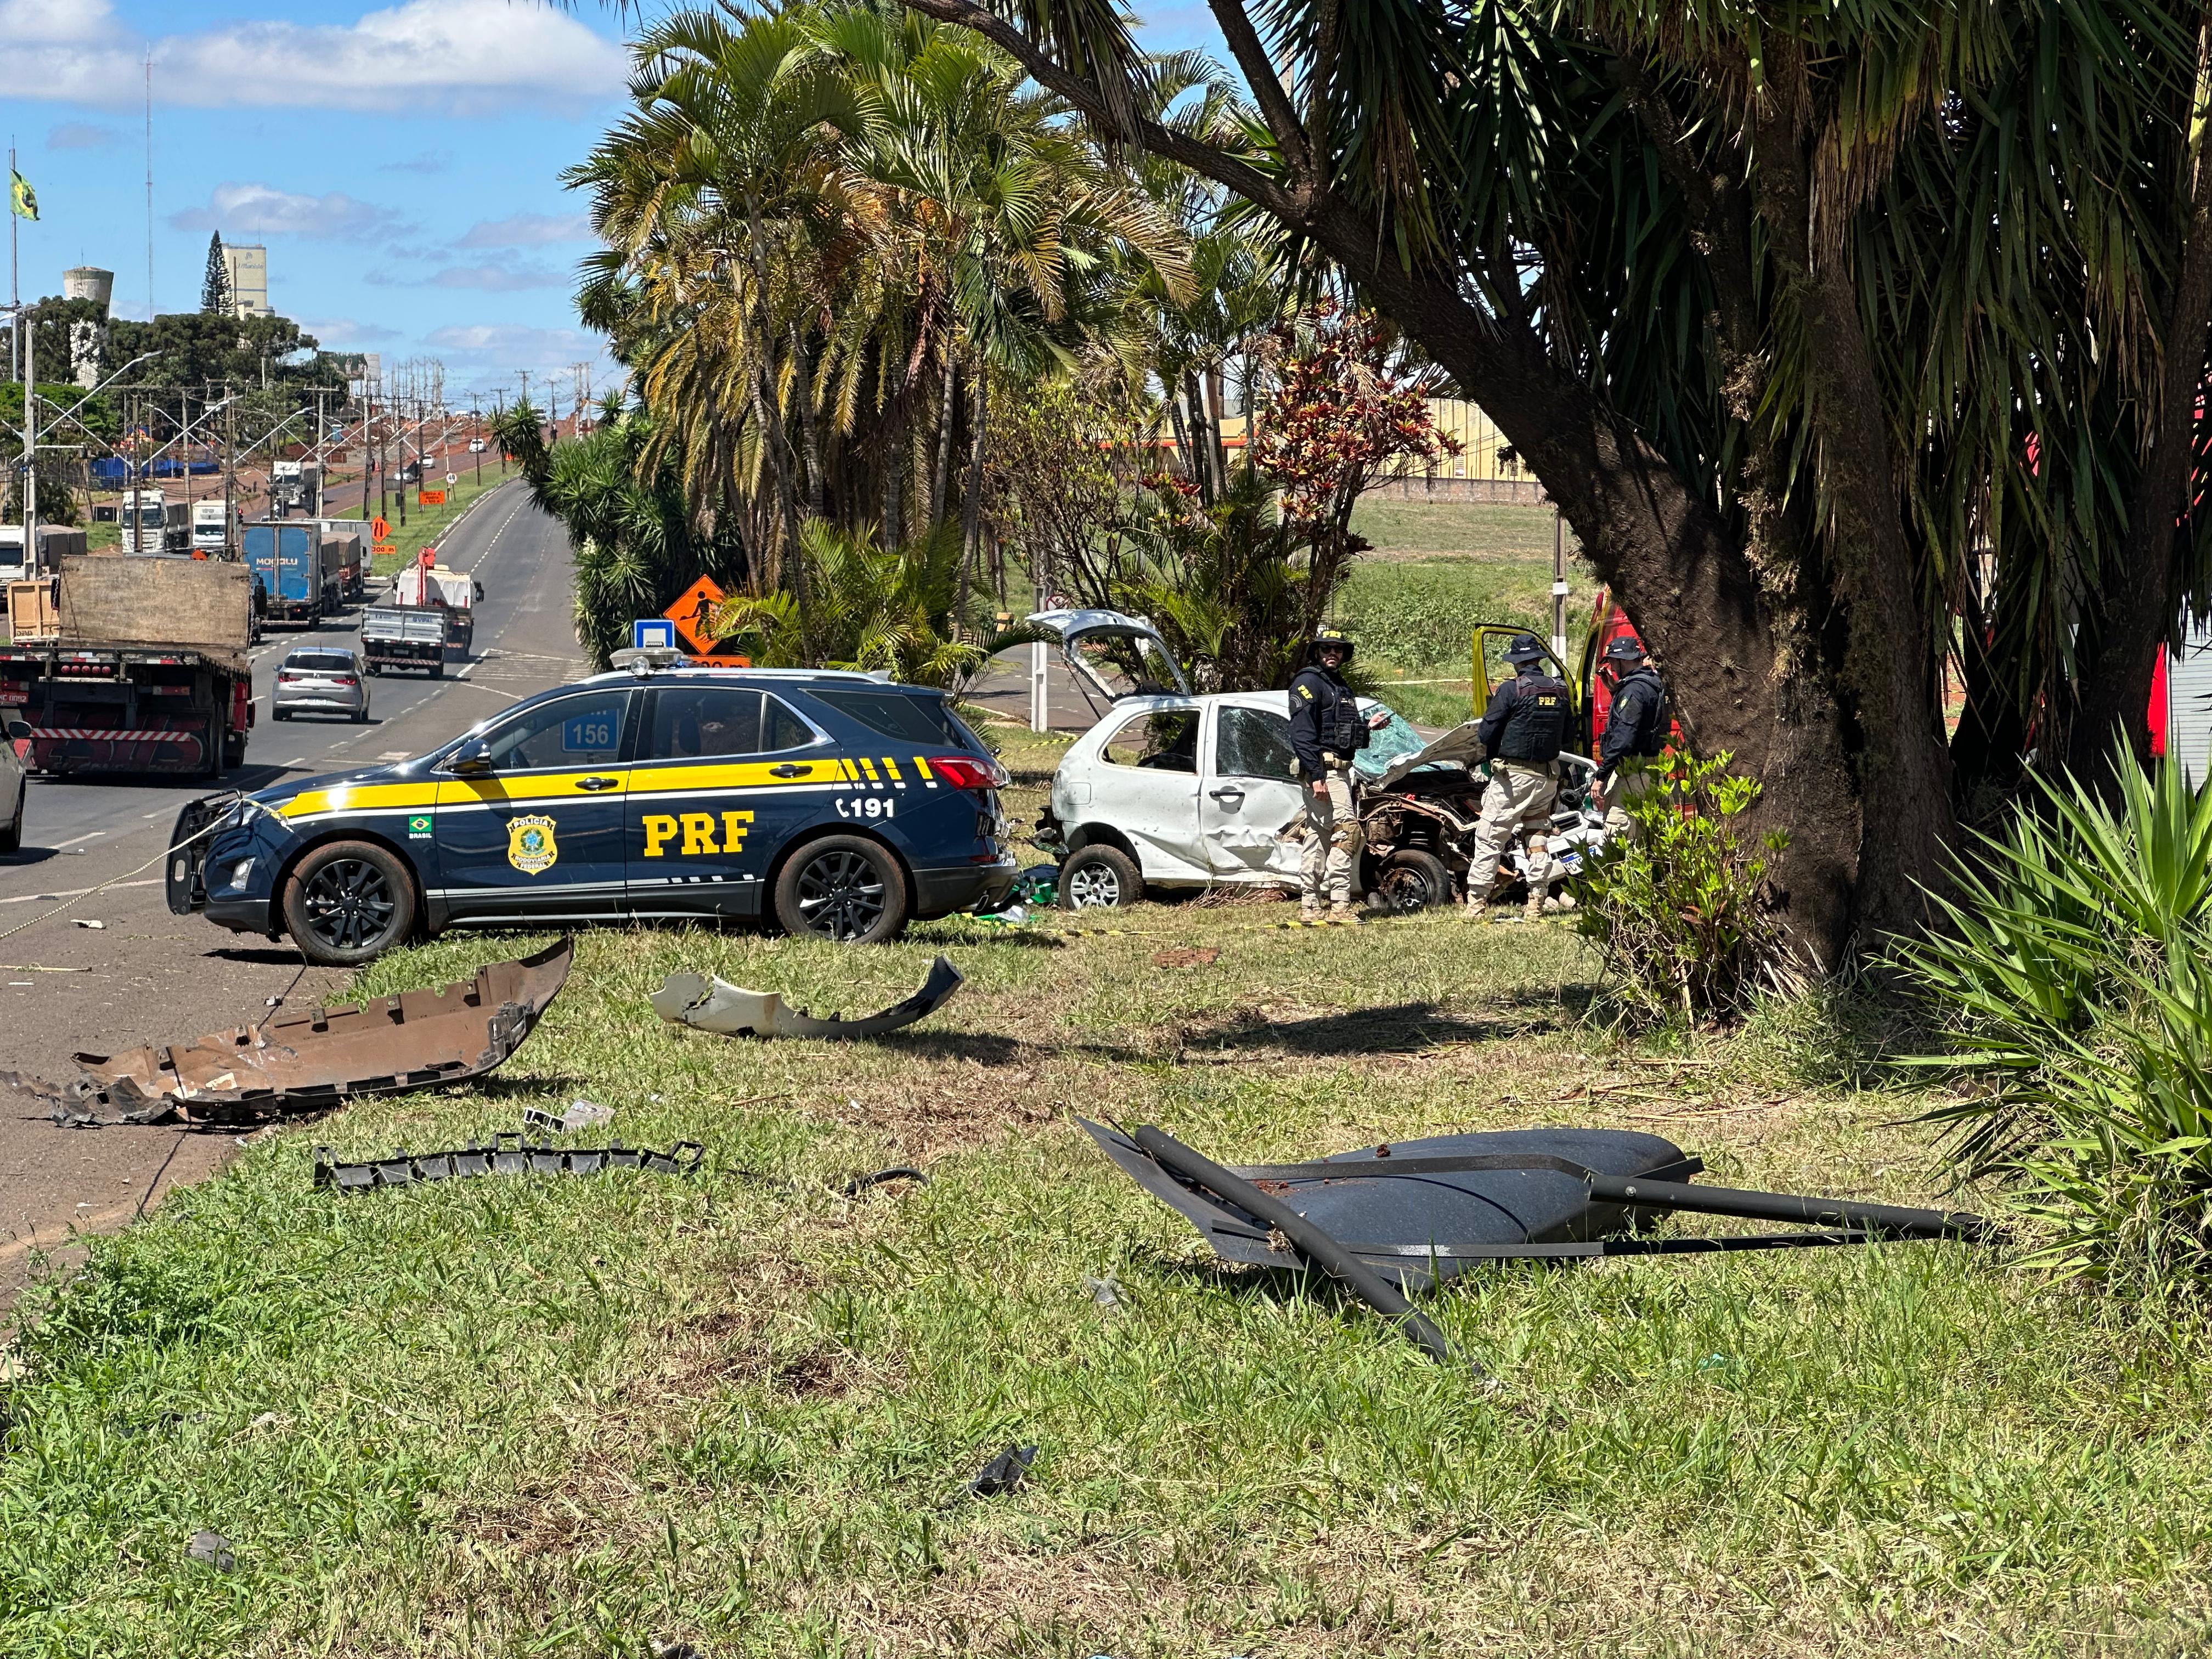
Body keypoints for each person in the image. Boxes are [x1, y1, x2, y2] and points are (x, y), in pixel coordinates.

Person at [1464, 633, 1570, 922]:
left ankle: (1475, 905)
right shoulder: (1561, 689)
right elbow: (1568, 735)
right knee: (1537, 838)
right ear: (1538, 660)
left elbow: (1486, 734)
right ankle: (1536, 902)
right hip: (1547, 779)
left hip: (1515, 780)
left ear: (1516, 664)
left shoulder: (1512, 690)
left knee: (1489, 838)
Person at [1286, 626, 1387, 921]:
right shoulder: (1308, 682)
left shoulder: (1339, 685)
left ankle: (1310, 906)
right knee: (1347, 832)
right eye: (1327, 648)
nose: (1333, 653)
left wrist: (1367, 726)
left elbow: (1338, 731)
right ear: (1317, 652)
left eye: (1338, 649)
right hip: (1325, 772)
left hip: (1340, 770)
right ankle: (1340, 905)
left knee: (1318, 836)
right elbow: (1302, 734)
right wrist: (1317, 776)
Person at [1594, 635, 1668, 845]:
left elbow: (1624, 738)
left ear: (1621, 660)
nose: (1612, 668)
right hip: (1652, 773)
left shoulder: (1633, 690)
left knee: (1617, 840)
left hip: (1632, 776)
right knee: (1649, 841)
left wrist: (1601, 776)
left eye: (1613, 662)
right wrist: (1615, 689)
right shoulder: (1652, 684)